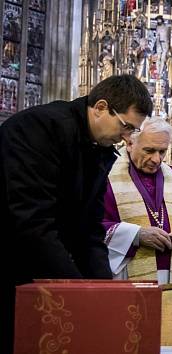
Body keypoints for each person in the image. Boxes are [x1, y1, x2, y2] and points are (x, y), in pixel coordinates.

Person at [0, 74, 153, 353]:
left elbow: (90, 230)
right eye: (126, 127)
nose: (127, 139)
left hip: (45, 266)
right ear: (100, 107)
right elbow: (32, 221)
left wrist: (105, 292)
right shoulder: (40, 128)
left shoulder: (100, 148)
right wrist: (80, 292)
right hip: (14, 261)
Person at [103, 118, 172, 284]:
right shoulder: (106, 177)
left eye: (162, 152)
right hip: (126, 274)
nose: (156, 159)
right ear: (130, 143)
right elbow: (90, 226)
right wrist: (136, 235)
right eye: (149, 150)